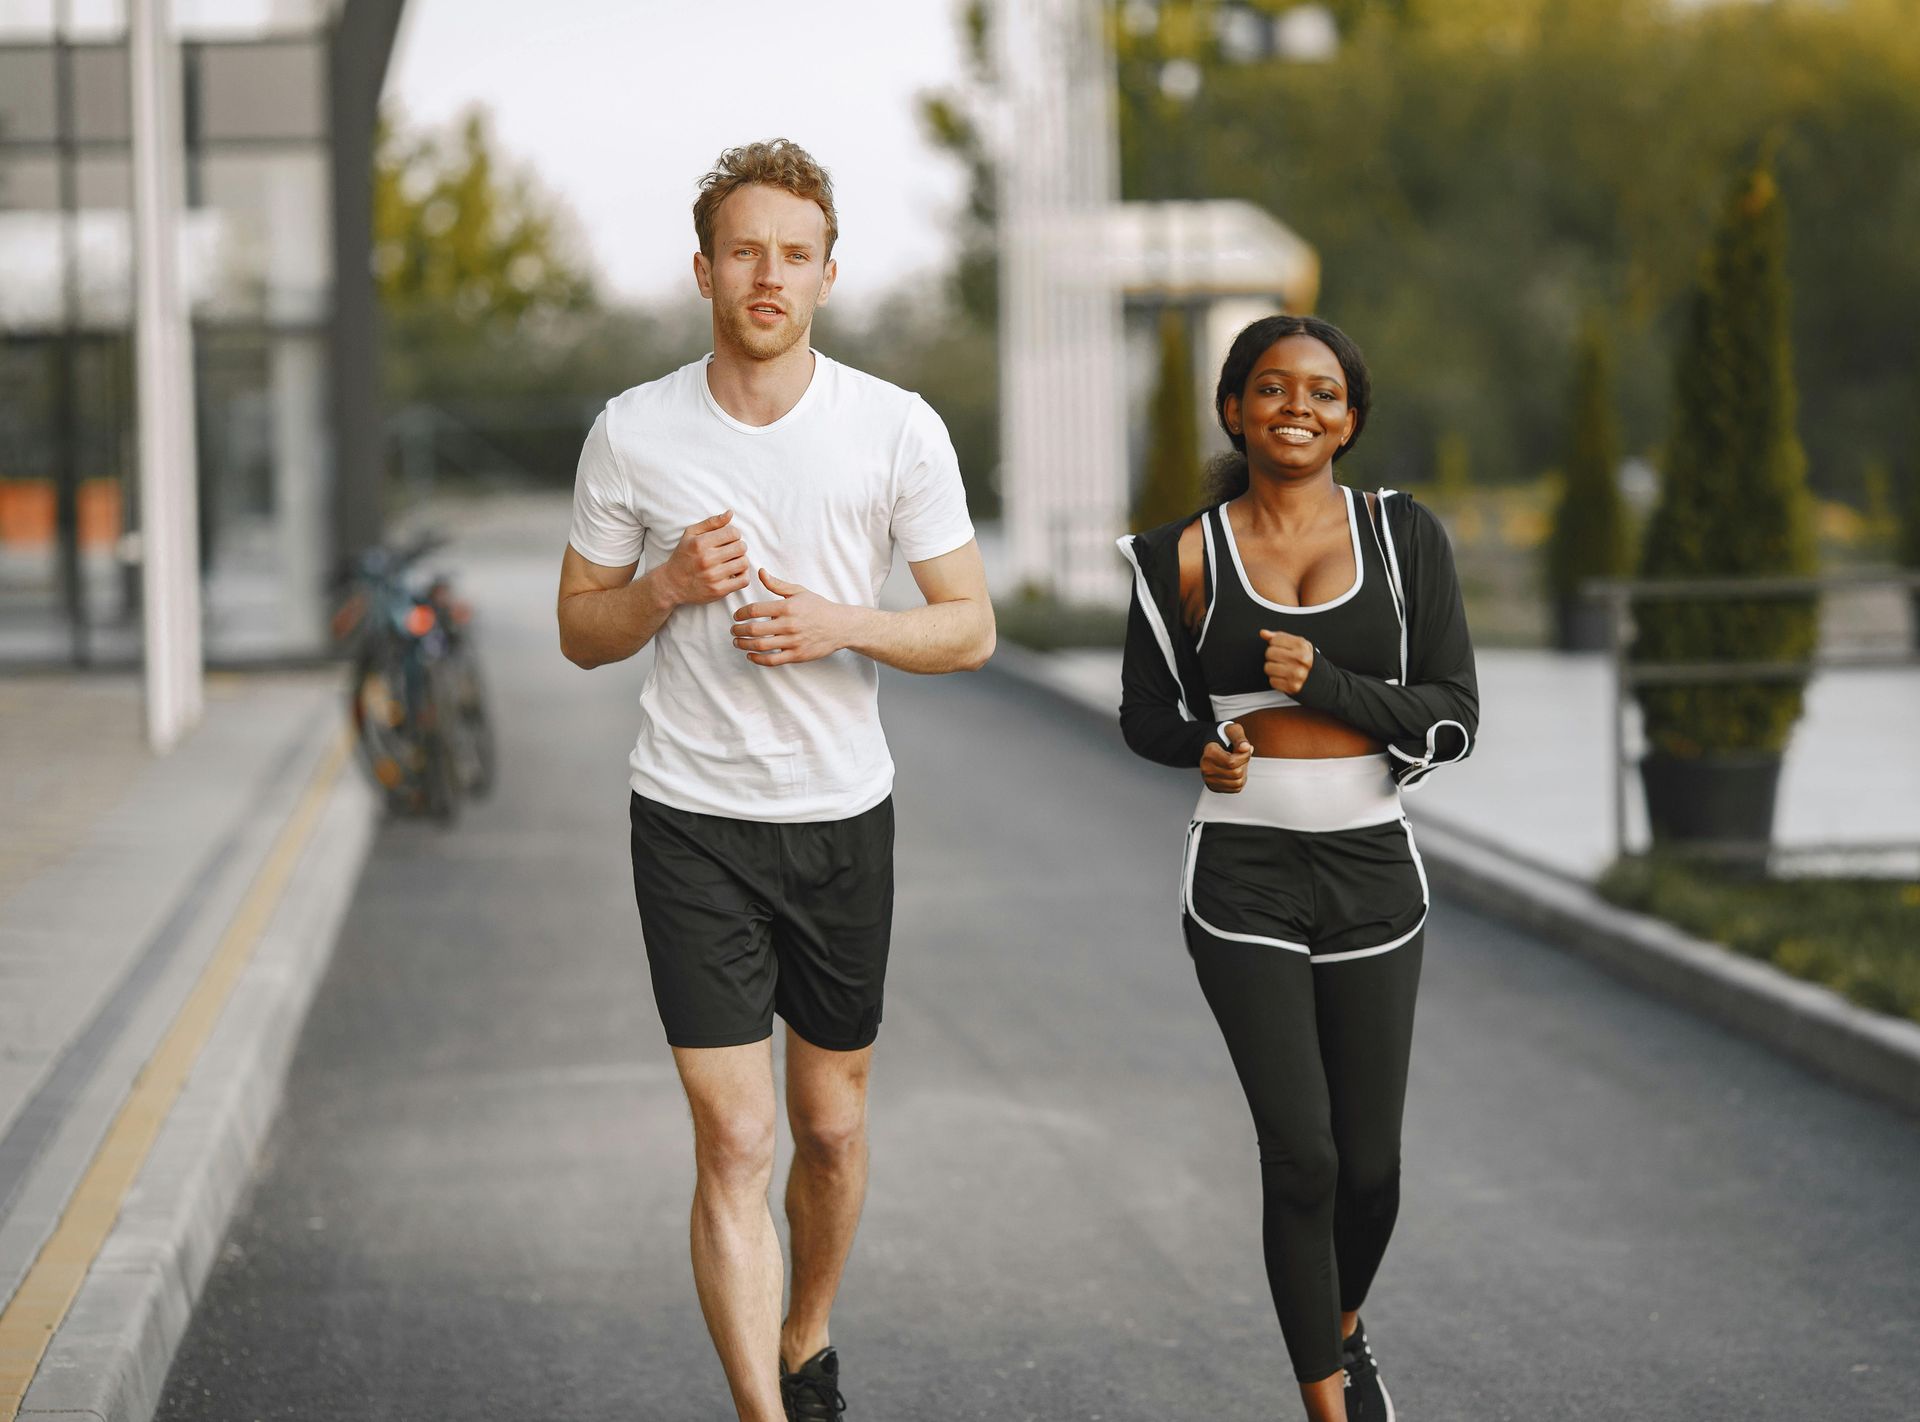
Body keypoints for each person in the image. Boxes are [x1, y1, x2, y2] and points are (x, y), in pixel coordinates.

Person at [556, 139, 995, 1422]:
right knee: (736, 1140)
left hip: (840, 820)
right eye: (745, 251)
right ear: (704, 269)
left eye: (794, 255)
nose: (769, 274)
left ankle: (807, 1332)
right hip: (690, 821)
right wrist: (666, 588)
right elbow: (582, 629)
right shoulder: (632, 433)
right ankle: (766, 1411)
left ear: (827, 275)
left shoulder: (894, 429)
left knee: (830, 1129)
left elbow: (967, 627)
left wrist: (840, 625)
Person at [1115, 314, 1478, 1422]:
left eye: (1323, 394)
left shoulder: (1405, 536)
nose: (1297, 409)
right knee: (1304, 1156)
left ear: (1351, 421)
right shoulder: (1176, 555)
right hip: (1242, 878)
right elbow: (1144, 715)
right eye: (1273, 389)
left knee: (1371, 1169)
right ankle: (1329, 1400)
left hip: (1375, 870)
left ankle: (1342, 1325)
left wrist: (1328, 688)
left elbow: (1455, 718)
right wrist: (1203, 748)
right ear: (1234, 408)